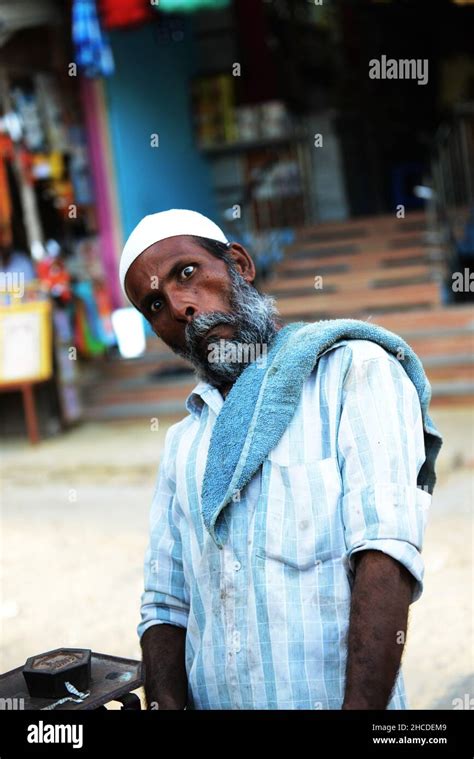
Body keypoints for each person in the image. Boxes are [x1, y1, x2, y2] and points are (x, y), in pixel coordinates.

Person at [119, 209, 442, 710]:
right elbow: (165, 603)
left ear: (240, 265)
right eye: (155, 303)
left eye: (187, 273)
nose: (181, 306)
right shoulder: (183, 442)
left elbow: (386, 555)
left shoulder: (353, 373)